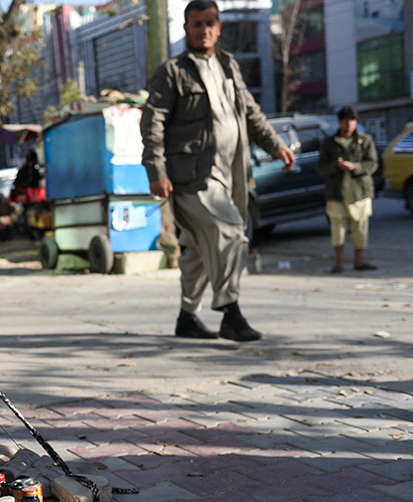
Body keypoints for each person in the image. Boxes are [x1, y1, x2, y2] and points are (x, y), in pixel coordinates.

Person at [140, 0, 296, 342]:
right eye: (197, 24)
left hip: (233, 172)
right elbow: (153, 122)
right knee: (230, 233)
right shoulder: (172, 72)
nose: (204, 29)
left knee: (197, 248)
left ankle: (187, 317)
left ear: (219, 26)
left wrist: (276, 145)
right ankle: (230, 312)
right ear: (186, 29)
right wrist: (156, 169)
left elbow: (252, 114)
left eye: (210, 22)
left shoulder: (229, 65)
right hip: (193, 175)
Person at [316, 105, 378, 273]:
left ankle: (359, 262)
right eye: (345, 120)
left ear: (356, 122)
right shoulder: (329, 143)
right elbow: (321, 168)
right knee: (338, 228)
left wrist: (354, 167)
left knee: (360, 227)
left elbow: (372, 164)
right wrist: (336, 166)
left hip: (359, 192)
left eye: (352, 120)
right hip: (336, 192)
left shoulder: (365, 141)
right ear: (339, 122)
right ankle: (339, 263)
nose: (349, 124)